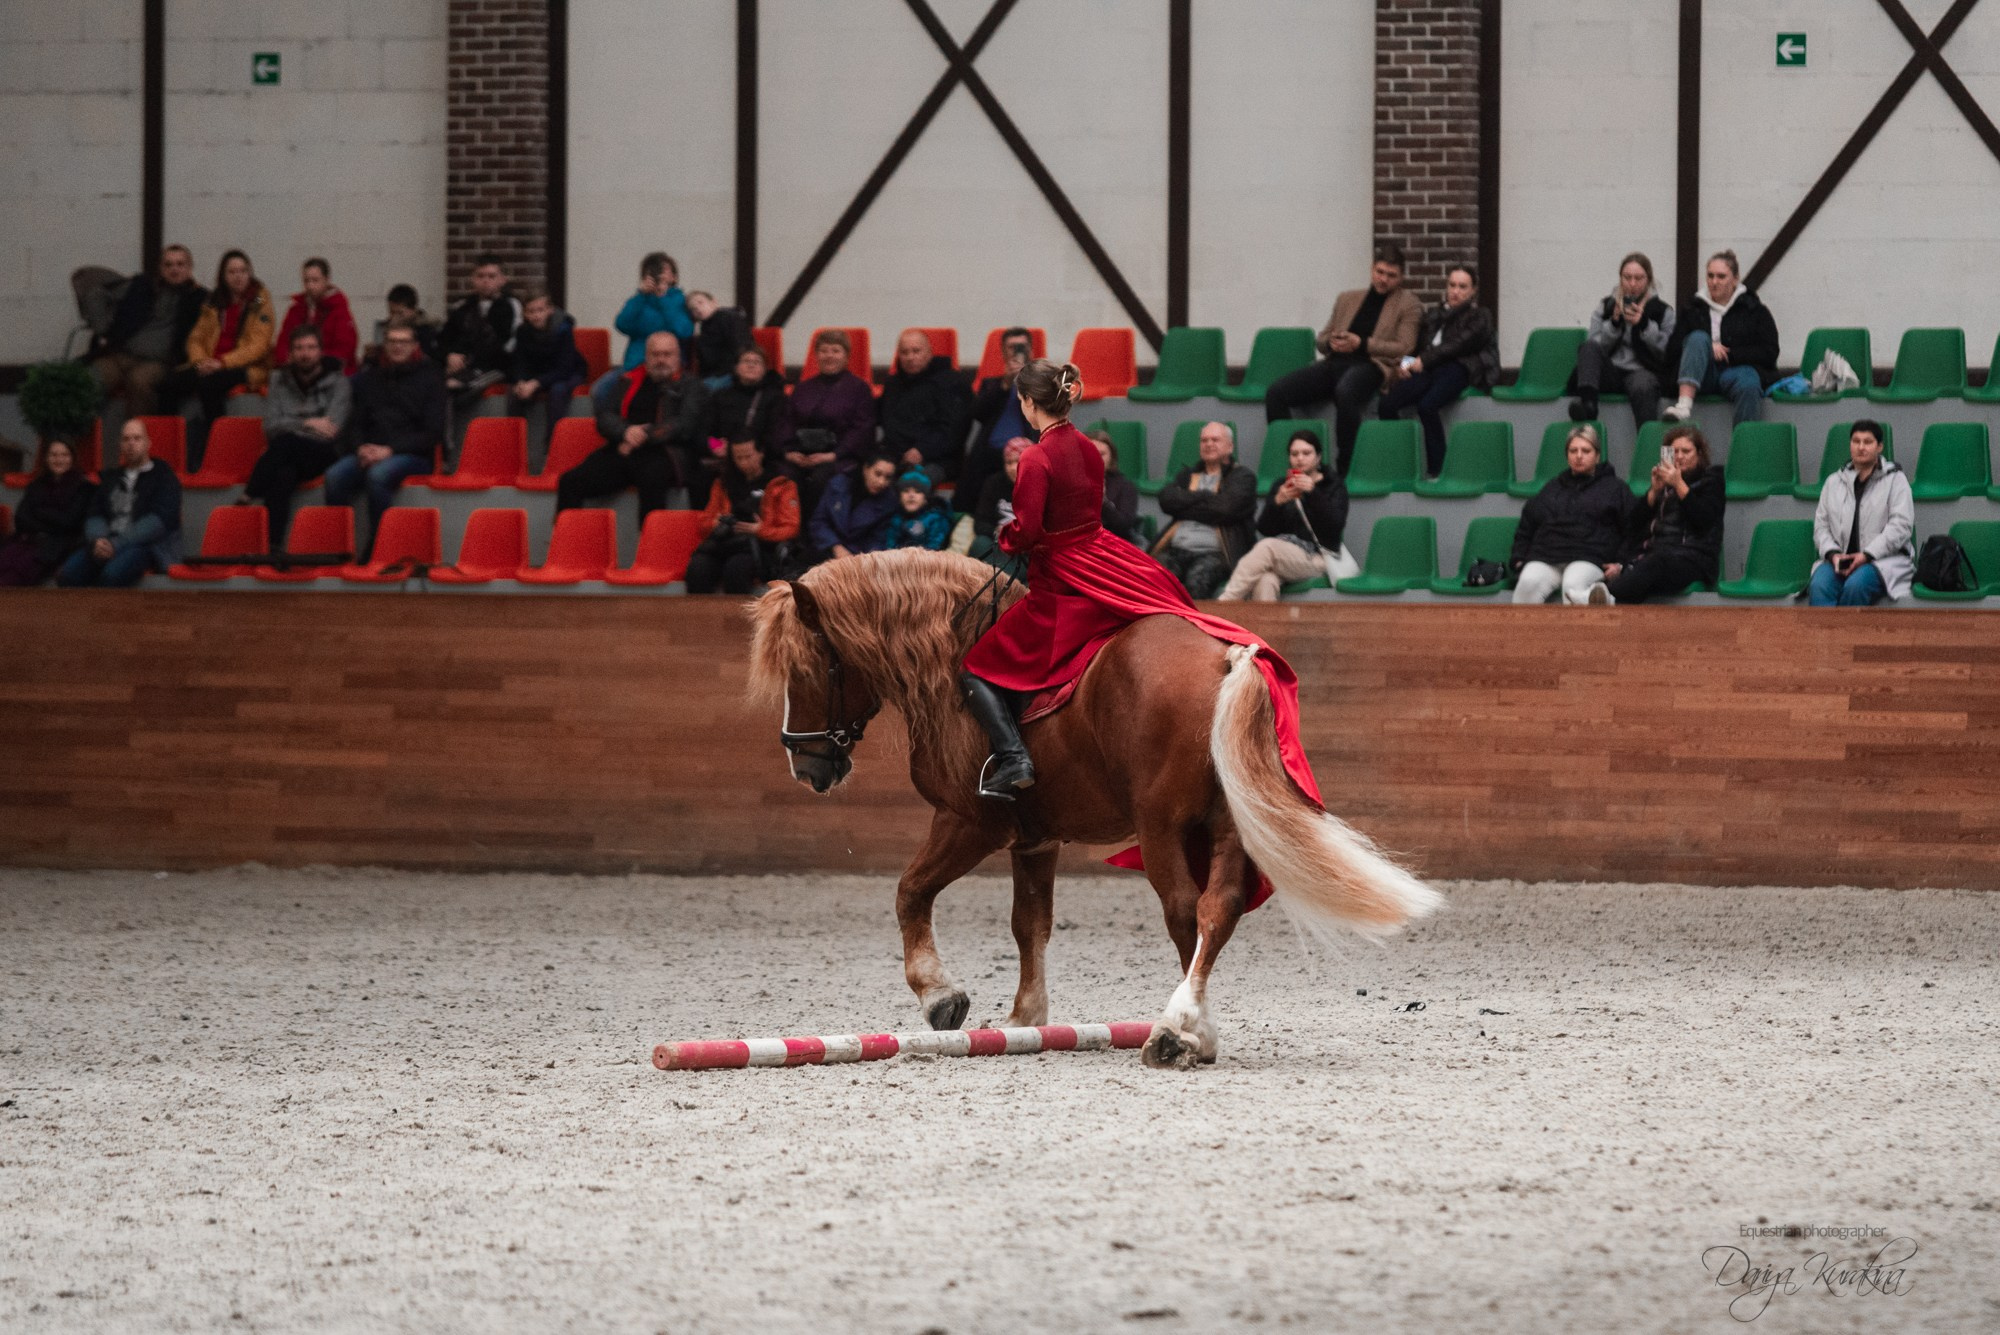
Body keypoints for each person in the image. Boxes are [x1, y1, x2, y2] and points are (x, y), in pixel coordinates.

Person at [959, 358, 1323, 803]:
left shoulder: (1036, 456)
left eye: (1022, 402)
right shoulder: (1089, 450)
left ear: (1033, 404)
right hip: (1104, 562)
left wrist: (1007, 537)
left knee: (976, 668)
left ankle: (1014, 758)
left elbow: (1030, 530)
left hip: (1063, 579)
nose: (1023, 408)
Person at [1264, 244, 1422, 474]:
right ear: (1371, 270)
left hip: (1372, 365)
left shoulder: (1409, 304)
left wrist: (1363, 343)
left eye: (1391, 275)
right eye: (1380, 272)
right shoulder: (1348, 299)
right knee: (1276, 392)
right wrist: (1331, 343)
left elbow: (1405, 347)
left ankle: (1346, 467)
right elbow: (1321, 339)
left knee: (1345, 391)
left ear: (1401, 278)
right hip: (1335, 362)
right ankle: (1294, 460)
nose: (1383, 279)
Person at [560, 331, 708, 520]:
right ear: (646, 356)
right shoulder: (628, 380)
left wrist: (642, 436)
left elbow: (685, 424)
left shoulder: (692, 386)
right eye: (655, 354)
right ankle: (569, 543)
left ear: (678, 357)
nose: (661, 360)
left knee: (652, 479)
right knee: (570, 481)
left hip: (666, 452)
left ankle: (650, 546)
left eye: (667, 354)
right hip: (623, 448)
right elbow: (604, 417)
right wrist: (625, 432)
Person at [326, 318, 444, 546]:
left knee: (378, 475)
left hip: (413, 456)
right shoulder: (370, 378)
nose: (397, 346)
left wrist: (389, 451)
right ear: (385, 345)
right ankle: (337, 547)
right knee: (334, 477)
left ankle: (379, 545)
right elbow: (355, 423)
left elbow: (433, 433)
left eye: (403, 341)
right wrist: (361, 447)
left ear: (414, 346)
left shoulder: (431, 379)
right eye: (392, 341)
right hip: (371, 451)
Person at [1376, 263, 1499, 477]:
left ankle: (1437, 471)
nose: (1455, 291)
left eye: (1462, 287)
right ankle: (1400, 463)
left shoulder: (1480, 316)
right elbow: (1417, 346)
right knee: (1387, 404)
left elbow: (1459, 345)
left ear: (1473, 291)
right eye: (1452, 285)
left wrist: (1423, 360)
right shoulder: (1434, 314)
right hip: (1429, 367)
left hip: (1461, 367)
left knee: (1427, 406)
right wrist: (1405, 363)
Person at [1586, 423, 1725, 604]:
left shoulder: (1711, 479)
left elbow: (1703, 520)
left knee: (1655, 562)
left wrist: (1679, 485)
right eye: (1674, 451)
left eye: (1686, 451)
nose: (1680, 456)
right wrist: (1653, 492)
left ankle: (1602, 598)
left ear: (1699, 454)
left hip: (1694, 559)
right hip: (1657, 557)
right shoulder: (1664, 485)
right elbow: (1633, 526)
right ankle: (1600, 597)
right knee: (1628, 568)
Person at [246, 325, 352, 544]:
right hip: (288, 453)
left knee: (286, 441)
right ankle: (272, 548)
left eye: (311, 347)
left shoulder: (340, 382)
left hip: (324, 453)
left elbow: (331, 431)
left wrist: (292, 428)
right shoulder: (278, 380)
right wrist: (308, 422)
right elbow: (270, 428)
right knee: (282, 476)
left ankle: (251, 490)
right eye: (299, 348)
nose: (305, 353)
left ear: (321, 352)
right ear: (290, 353)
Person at [1509, 423, 1633, 605]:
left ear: (1597, 455)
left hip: (1590, 558)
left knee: (1573, 583)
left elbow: (1633, 527)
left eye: (1586, 450)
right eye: (1573, 451)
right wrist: (1518, 558)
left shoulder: (1616, 489)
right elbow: (1527, 524)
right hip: (1547, 557)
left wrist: (1621, 563)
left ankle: (1586, 625)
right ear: (1567, 456)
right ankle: (1526, 634)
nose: (1579, 456)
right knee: (1528, 582)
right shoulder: (1551, 488)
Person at [1219, 430, 1349, 601]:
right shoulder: (1281, 485)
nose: (1300, 458)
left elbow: (1334, 527)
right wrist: (1277, 503)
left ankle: (1225, 603)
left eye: (1306, 453)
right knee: (1265, 580)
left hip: (1319, 556)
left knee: (1267, 547)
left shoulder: (1333, 486)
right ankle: (1263, 628)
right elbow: (1265, 528)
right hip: (1285, 556)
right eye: (1294, 454)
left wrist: (1313, 492)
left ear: (1318, 457)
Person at [169, 249, 276, 456]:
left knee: (209, 385)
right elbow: (196, 338)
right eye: (232, 272)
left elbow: (259, 345)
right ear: (223, 276)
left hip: (246, 367)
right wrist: (201, 362)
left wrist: (222, 363)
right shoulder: (213, 301)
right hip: (210, 364)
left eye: (243, 271)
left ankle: (216, 447)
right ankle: (171, 450)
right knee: (168, 384)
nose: (238, 276)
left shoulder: (259, 300)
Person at [56, 419, 182, 587]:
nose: (131, 444)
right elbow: (95, 513)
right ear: (120, 445)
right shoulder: (111, 477)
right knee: (68, 574)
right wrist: (98, 540)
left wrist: (116, 544)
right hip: (106, 541)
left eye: (137, 438)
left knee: (111, 575)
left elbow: (157, 522)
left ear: (148, 443)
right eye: (126, 439)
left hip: (145, 546)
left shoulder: (164, 476)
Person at [1663, 249, 1779, 425]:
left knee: (1749, 382)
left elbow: (1770, 352)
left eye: (1721, 276)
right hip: (1701, 373)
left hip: (1736, 370)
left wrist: (1730, 354)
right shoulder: (1693, 309)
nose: (1714, 282)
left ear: (1735, 279)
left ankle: (1744, 444)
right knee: (1698, 338)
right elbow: (1672, 350)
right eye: (1710, 276)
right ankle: (1683, 406)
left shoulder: (1755, 310)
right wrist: (1708, 347)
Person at [90, 244, 206, 416]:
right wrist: (103, 329)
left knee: (139, 382)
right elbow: (95, 292)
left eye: (180, 264)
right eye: (168, 264)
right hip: (120, 354)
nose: (174, 269)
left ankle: (136, 439)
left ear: (190, 268)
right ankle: (65, 440)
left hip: (159, 362)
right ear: (161, 268)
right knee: (91, 378)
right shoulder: (142, 287)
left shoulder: (200, 298)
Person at [1809, 420, 1913, 606]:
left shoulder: (1896, 480)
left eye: (1867, 442)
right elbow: (1821, 527)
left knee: (1856, 586)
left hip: (1879, 561)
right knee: (1819, 585)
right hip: (1839, 560)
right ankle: (1823, 636)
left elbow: (1901, 526)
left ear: (1879, 446)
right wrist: (1833, 554)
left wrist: (1866, 555)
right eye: (1856, 441)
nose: (1861, 447)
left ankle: (1848, 635)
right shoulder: (1833, 482)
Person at [1151, 421, 1257, 599]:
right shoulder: (1188, 475)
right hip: (1176, 549)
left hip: (1214, 554)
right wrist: (1205, 497)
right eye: (1204, 440)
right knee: (1155, 581)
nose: (1208, 444)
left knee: (1197, 582)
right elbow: (1166, 499)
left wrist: (1184, 506)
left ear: (1230, 447)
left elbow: (1225, 509)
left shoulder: (1242, 476)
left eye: (1215, 439)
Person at [1568, 252, 1675, 428]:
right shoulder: (1605, 307)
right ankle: (1588, 406)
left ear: (1648, 280)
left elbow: (1669, 351)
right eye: (1627, 278)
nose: (1632, 284)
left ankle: (1648, 442)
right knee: (1588, 347)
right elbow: (1593, 344)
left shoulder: (1663, 311)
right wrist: (1614, 325)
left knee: (1643, 384)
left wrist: (1645, 326)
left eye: (1639, 278)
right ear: (1620, 279)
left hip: (1643, 372)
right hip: (1611, 371)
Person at [781, 329, 876, 520]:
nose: (829, 356)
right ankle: (787, 534)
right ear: (816, 355)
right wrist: (789, 452)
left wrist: (832, 455)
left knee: (820, 480)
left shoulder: (859, 389)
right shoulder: (802, 388)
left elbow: (862, 430)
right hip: (801, 455)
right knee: (785, 477)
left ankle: (817, 538)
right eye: (824, 351)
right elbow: (787, 422)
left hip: (840, 456)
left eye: (835, 351)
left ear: (846, 356)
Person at [685, 437, 801, 595]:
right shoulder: (723, 483)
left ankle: (734, 620)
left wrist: (760, 530)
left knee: (736, 568)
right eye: (738, 458)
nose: (743, 462)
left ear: (761, 453)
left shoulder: (781, 483)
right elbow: (704, 523)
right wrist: (716, 523)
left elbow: (791, 528)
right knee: (697, 568)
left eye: (748, 456)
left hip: (758, 547)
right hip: (723, 543)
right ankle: (697, 619)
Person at [879, 329, 975, 485]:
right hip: (896, 455)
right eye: (904, 352)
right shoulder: (892, 384)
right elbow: (887, 422)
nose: (910, 357)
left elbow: (955, 430)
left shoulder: (952, 382)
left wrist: (922, 450)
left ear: (929, 353)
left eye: (916, 351)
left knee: (911, 485)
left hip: (939, 459)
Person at [506, 290, 587, 468]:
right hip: (538, 374)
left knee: (557, 391)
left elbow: (564, 368)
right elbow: (519, 361)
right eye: (531, 311)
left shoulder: (563, 329)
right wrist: (520, 381)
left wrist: (535, 384)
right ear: (525, 314)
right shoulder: (523, 331)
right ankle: (512, 448)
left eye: (540, 310)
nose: (536, 316)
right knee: (513, 393)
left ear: (550, 310)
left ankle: (552, 448)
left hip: (568, 373)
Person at [0, 440, 95, 586]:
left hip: (52, 547)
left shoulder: (83, 487)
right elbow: (21, 518)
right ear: (46, 458)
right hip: (24, 541)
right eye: (54, 455)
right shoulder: (36, 484)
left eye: (64, 455)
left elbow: (69, 522)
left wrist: (38, 511)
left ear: (72, 458)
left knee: (11, 579)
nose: (59, 460)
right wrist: (51, 518)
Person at [962, 326, 1035, 515]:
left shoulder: (1042, 384)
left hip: (1027, 456)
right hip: (990, 456)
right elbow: (977, 413)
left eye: (1021, 346)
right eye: (1011, 347)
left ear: (1031, 351)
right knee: (973, 467)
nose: (1016, 351)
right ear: (1003, 351)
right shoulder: (992, 384)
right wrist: (1005, 383)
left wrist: (1025, 382)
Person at [437, 254, 521, 401]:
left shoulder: (511, 306)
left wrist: (471, 361)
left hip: (498, 367)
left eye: (491, 276)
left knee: (459, 387)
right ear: (472, 279)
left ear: (502, 279)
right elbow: (444, 340)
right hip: (463, 367)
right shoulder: (462, 308)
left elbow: (508, 346)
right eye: (480, 276)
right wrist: (450, 355)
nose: (485, 281)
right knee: (431, 385)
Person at [807, 453, 899, 565]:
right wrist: (836, 547)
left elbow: (877, 540)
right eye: (877, 474)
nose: (881, 482)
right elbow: (819, 522)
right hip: (825, 548)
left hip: (857, 558)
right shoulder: (838, 484)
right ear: (866, 469)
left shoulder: (888, 503)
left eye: (887, 477)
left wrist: (857, 560)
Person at [704, 345, 791, 462]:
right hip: (722, 456)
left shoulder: (775, 398)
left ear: (765, 370)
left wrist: (740, 450)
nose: (751, 365)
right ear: (736, 367)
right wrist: (715, 446)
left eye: (757, 362)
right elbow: (705, 430)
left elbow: (775, 436)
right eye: (746, 361)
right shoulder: (720, 396)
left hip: (758, 457)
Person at [275, 257, 359, 371]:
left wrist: (310, 360)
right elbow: (283, 342)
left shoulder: (339, 311)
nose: (310, 286)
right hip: (297, 371)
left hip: (332, 374)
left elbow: (344, 351)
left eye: (315, 280)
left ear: (327, 280)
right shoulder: (295, 310)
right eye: (306, 281)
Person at [615, 252, 692, 371]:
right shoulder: (638, 301)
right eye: (654, 271)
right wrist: (640, 296)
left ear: (674, 277)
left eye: (663, 270)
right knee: (601, 388)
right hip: (636, 364)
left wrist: (663, 298)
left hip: (667, 367)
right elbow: (622, 325)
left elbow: (684, 331)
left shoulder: (680, 301)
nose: (658, 275)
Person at [971, 438, 1028, 562]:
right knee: (980, 543)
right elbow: (980, 522)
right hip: (998, 542)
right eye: (1008, 462)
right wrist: (998, 531)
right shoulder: (994, 483)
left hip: (1026, 550)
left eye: (1018, 461)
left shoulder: (1042, 486)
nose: (1013, 467)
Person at [686, 290, 753, 382]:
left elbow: (741, 348)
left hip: (729, 373)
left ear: (714, 302)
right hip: (713, 374)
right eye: (693, 308)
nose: (697, 308)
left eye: (700, 302)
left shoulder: (728, 318)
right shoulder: (705, 326)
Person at [1089, 429, 1141, 546]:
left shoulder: (1125, 486)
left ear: (1111, 457)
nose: (1096, 458)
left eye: (1102, 454)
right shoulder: (1071, 481)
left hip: (1113, 545)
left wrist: (1103, 502)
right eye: (1091, 452)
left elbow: (1124, 526)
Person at [366, 284, 440, 364]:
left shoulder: (426, 330)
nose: (395, 317)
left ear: (413, 310)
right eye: (392, 312)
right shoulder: (384, 327)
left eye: (400, 313)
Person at [888, 470, 952, 551]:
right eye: (906, 491)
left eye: (917, 492)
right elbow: (890, 546)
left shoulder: (936, 519)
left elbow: (934, 548)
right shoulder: (896, 519)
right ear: (899, 498)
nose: (911, 495)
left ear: (925, 499)